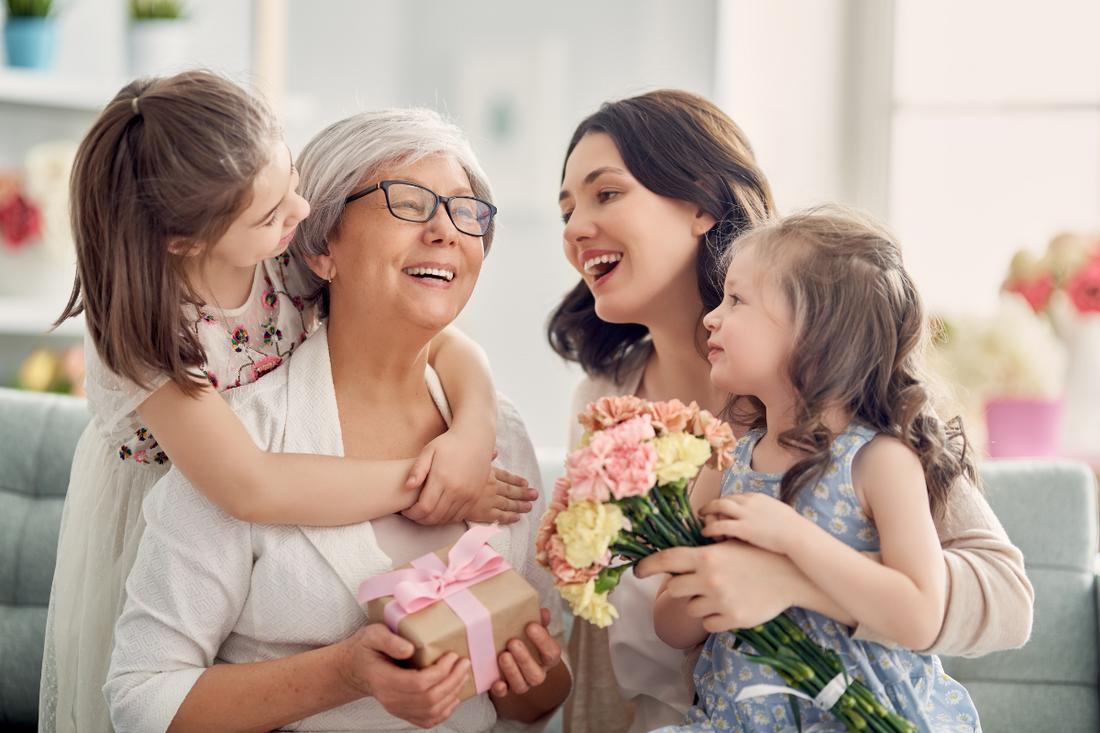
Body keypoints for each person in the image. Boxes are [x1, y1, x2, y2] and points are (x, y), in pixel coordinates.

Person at [42, 72, 533, 733]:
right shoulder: (151, 344)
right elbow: (251, 484)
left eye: (294, 188)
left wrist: (472, 435)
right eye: (409, 202)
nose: (297, 215)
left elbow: (446, 339)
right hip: (187, 473)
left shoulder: (275, 254)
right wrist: (427, 486)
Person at [549, 90, 1032, 733]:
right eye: (566, 209)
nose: (575, 227)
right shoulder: (605, 404)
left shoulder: (846, 408)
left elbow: (1006, 601)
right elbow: (618, 639)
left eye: (606, 194)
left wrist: (789, 577)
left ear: (701, 203)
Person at [646, 205, 982, 732]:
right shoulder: (724, 461)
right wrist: (707, 579)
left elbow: (919, 614)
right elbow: (669, 625)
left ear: (817, 335)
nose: (711, 316)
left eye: (737, 300)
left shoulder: (880, 462)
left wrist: (790, 542)